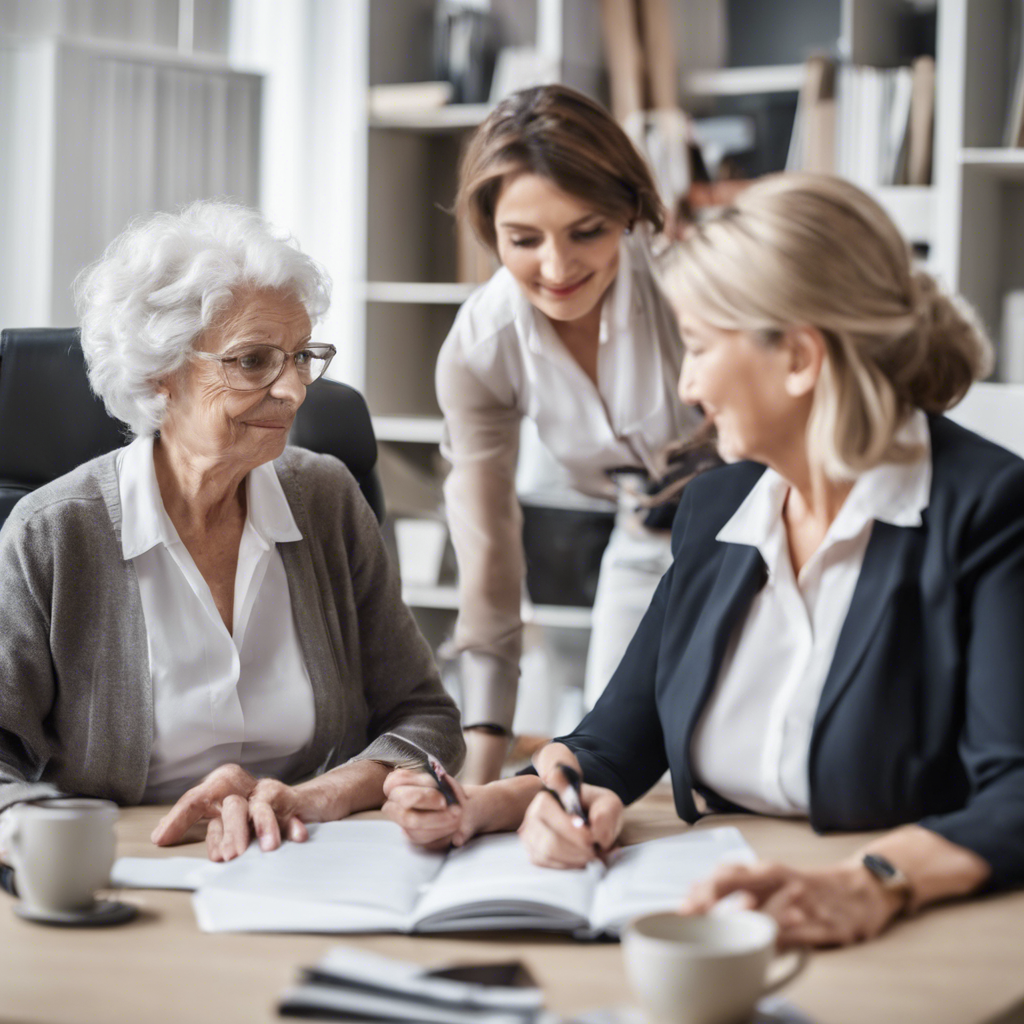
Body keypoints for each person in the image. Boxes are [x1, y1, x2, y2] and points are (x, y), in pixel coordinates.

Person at [382, 173, 1024, 947]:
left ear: (797, 357)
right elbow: (612, 742)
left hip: (907, 933)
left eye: (698, 347)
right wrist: (502, 803)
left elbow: (1015, 794)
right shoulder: (720, 506)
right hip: (709, 915)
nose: (686, 385)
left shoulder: (987, 511)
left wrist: (873, 882)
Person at [0, 201, 464, 862]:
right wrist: (60, 847)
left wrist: (319, 796)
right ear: (160, 375)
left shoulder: (326, 499)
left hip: (310, 856)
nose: (294, 392)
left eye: (301, 356)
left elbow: (426, 717)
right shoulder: (51, 535)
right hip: (128, 869)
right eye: (253, 362)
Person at [438, 84, 699, 783]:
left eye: (586, 231)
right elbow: (488, 557)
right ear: (490, 231)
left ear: (630, 213)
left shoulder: (689, 287)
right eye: (523, 240)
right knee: (613, 773)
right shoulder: (481, 346)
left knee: (727, 772)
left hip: (753, 539)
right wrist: (481, 764)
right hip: (642, 540)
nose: (555, 270)